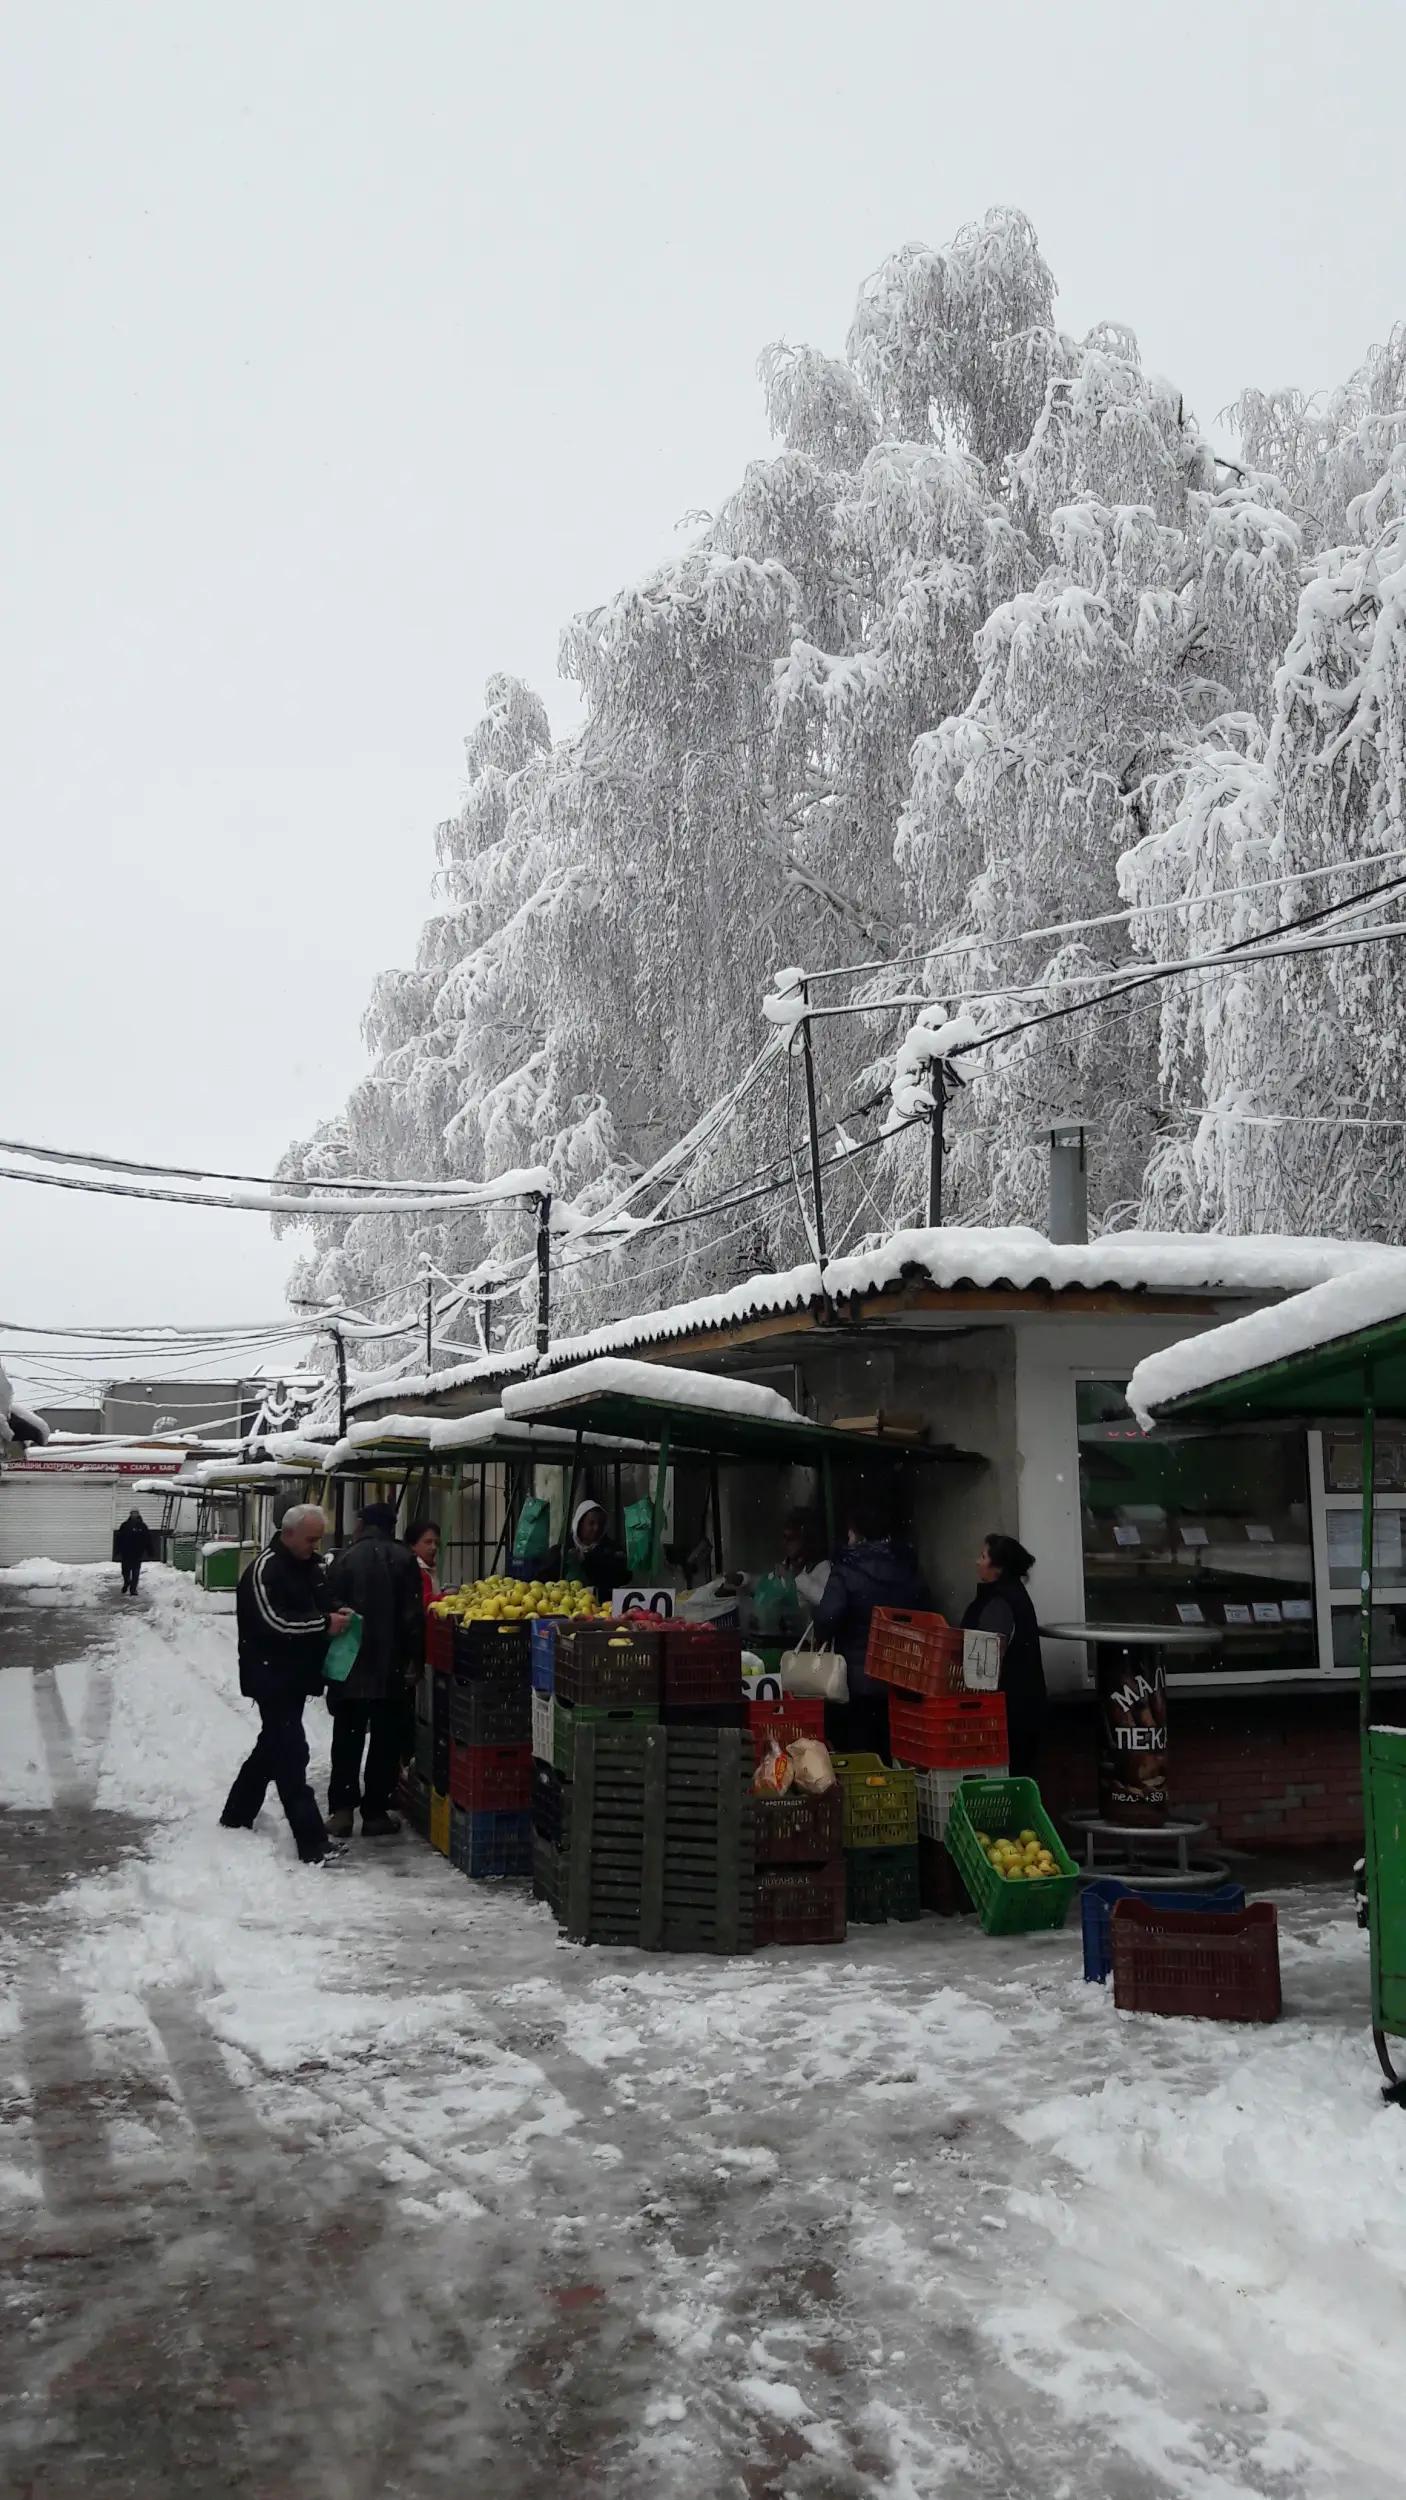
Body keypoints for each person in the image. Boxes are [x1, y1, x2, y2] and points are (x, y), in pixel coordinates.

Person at [221, 1505, 351, 1864]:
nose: (315, 1545)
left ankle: (236, 1814)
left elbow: (323, 1598)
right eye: (310, 1538)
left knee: (273, 1746)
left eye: (318, 1538)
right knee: (292, 1755)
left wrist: (340, 1611)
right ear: (288, 1533)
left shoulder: (308, 1564)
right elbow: (273, 1622)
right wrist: (324, 1623)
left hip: (294, 1676)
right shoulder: (265, 1568)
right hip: (270, 1676)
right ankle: (313, 1844)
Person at [322, 1502, 426, 1839]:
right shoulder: (404, 1559)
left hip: (350, 1664)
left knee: (347, 1739)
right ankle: (375, 1812)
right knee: (386, 1741)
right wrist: (415, 1659)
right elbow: (412, 1617)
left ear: (364, 1523)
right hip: (390, 1667)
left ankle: (341, 1811)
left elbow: (332, 1608)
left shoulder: (344, 1559)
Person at [814, 1491, 929, 1759]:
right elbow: (924, 1610)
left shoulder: (847, 1569)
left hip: (857, 1681)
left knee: (857, 1754)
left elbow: (827, 1618)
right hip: (900, 1676)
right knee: (891, 1751)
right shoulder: (907, 1566)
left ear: (855, 1532)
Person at [962, 1533, 1046, 1780]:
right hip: (1024, 1706)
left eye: (983, 1556)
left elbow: (983, 1663)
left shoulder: (999, 1603)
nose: (978, 1561)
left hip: (1007, 1710)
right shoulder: (1014, 1595)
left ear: (998, 1567)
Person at [516, 1498, 627, 1605]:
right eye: (591, 1523)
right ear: (580, 1524)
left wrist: (587, 1561)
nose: (596, 1528)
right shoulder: (560, 1551)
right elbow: (542, 1582)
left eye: (600, 1524)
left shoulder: (611, 1550)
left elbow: (622, 1577)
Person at [113, 1509, 155, 1596]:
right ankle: (127, 1582)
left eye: (136, 1513)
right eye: (133, 1513)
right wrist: (117, 1550)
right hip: (126, 1552)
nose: (134, 1515)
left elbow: (147, 1539)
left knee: (135, 1571)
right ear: (130, 1515)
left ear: (138, 1515)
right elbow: (119, 1538)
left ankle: (133, 1589)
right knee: (125, 1570)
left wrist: (150, 1551)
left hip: (137, 1553)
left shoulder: (142, 1526)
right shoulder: (125, 1525)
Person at [406, 1518, 440, 1608]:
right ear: (413, 1545)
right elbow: (424, 1605)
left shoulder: (430, 1569)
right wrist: (446, 1597)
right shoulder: (411, 1570)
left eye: (436, 1543)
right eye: (428, 1542)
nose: (434, 1547)